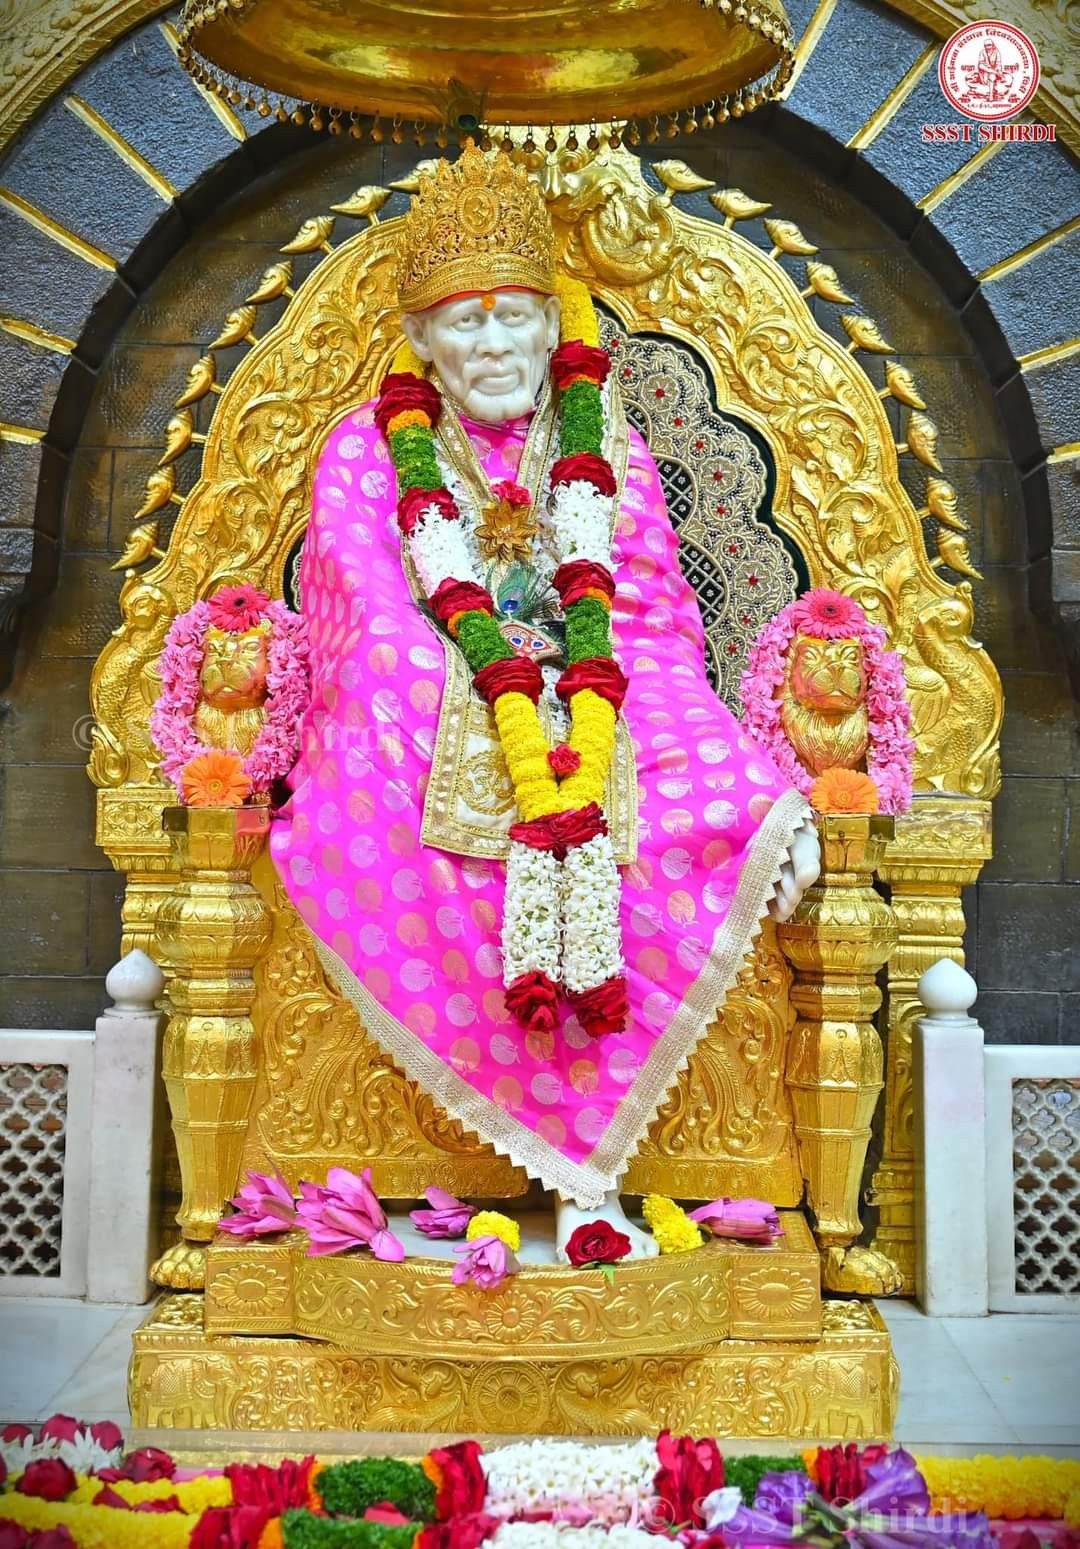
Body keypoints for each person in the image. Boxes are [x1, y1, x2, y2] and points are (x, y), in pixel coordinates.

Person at [270, 147, 820, 1259]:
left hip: (600, 683)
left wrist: (607, 707)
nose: (492, 346)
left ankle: (609, 1152)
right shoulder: (367, 451)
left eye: (514, 317)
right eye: (463, 324)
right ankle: (530, 1149)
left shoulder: (602, 443)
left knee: (721, 789)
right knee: (393, 723)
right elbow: (366, 619)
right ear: (421, 341)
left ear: (551, 324)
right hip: (425, 709)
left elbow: (656, 619)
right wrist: (479, 694)